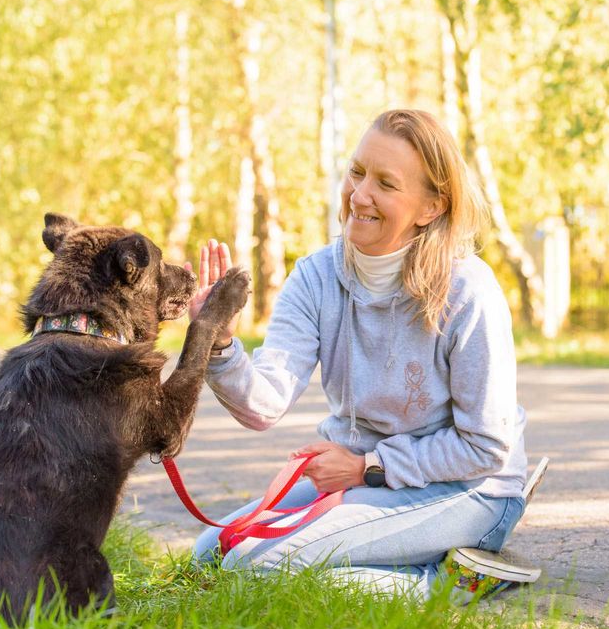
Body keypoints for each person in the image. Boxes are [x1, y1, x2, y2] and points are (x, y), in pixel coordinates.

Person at [186, 109, 530, 599]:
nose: (359, 195)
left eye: (386, 183)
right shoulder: (316, 276)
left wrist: (368, 465)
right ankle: (400, 561)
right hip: (367, 477)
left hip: (471, 489)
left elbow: (485, 447)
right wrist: (218, 342)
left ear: (431, 206)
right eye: (356, 172)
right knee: (212, 554)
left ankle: (459, 584)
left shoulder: (468, 291)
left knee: (256, 567)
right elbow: (263, 403)